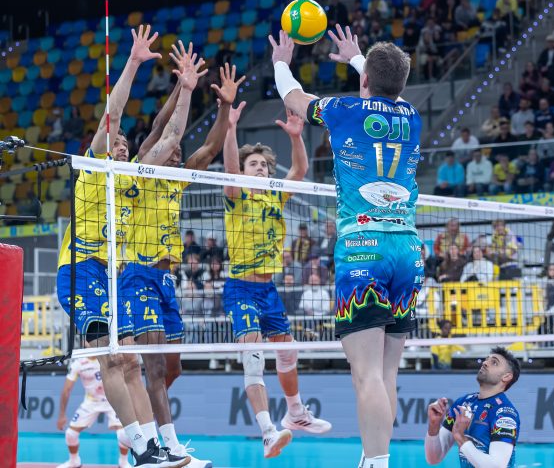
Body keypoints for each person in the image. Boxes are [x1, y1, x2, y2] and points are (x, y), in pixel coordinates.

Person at [272, 25, 424, 467]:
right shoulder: (411, 115)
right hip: (407, 249)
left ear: (364, 81)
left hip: (363, 249)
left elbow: (293, 98)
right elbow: (386, 90)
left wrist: (281, 61)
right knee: (386, 373)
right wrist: (360, 59)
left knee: (367, 374)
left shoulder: (344, 110)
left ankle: (375, 462)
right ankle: (375, 458)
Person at [54, 25, 190, 468]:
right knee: (113, 359)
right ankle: (141, 446)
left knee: (131, 362)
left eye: (124, 144)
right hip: (79, 269)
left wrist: (187, 89)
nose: (119, 144)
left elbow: (170, 138)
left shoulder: (132, 180)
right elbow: (111, 115)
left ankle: (151, 447)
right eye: (114, 141)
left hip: (112, 276)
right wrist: (132, 61)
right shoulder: (94, 169)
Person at [120, 47, 243, 467]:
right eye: (170, 149)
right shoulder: (140, 171)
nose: (176, 152)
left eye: (178, 151)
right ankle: (165, 447)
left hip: (166, 280)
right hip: (137, 274)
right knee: (155, 369)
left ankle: (141, 423)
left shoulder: (177, 180)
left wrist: (224, 108)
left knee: (172, 369)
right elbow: (162, 128)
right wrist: (183, 87)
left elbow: (209, 148)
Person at [222, 98, 332, 457]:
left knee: (288, 349)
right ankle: (268, 432)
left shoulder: (274, 198)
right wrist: (231, 128)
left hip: (268, 289)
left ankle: (296, 414)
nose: (260, 168)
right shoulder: (235, 196)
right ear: (243, 170)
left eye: (264, 165)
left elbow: (299, 170)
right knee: (253, 355)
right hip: (240, 287)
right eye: (253, 164)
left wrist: (296, 137)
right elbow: (229, 168)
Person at [424, 347, 521, 467]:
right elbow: (433, 458)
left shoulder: (505, 413)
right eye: (486, 359)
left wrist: (460, 437)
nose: (485, 363)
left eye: (494, 362)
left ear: (506, 376)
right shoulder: (462, 403)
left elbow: (496, 466)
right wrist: (434, 425)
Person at [56, 358, 130, 468]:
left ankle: (123, 462)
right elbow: (67, 389)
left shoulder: (108, 357)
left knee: (123, 433)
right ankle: (74, 461)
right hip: (91, 401)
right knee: (70, 434)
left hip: (112, 400)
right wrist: (62, 415)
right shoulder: (78, 363)